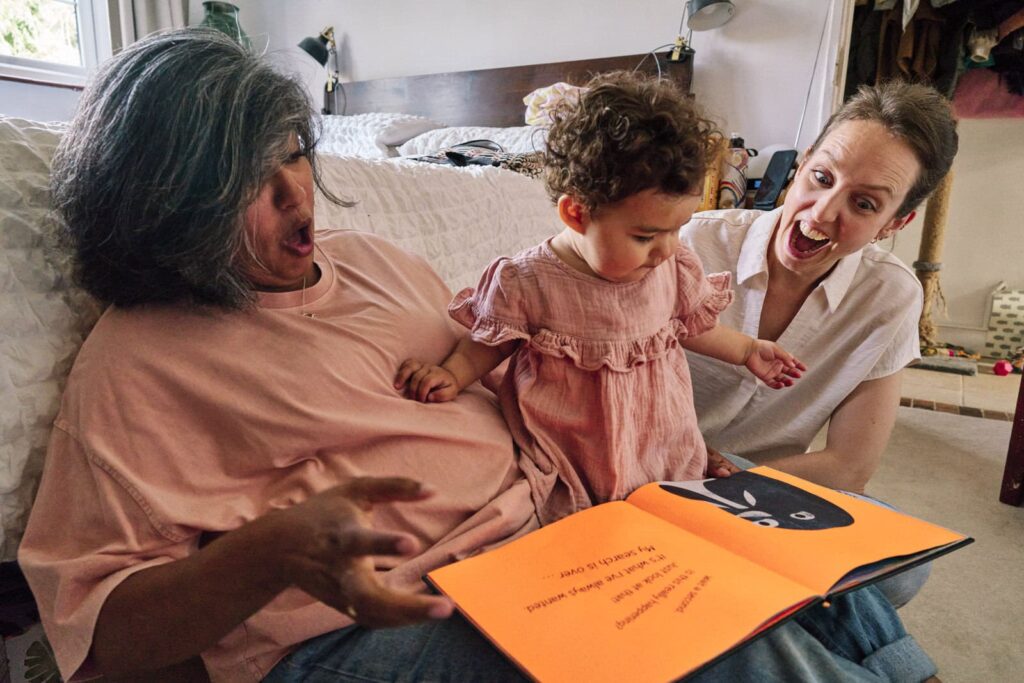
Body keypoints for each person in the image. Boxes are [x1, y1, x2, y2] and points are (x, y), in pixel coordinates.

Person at [18, 29, 939, 683]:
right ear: (162, 205)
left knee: (829, 562)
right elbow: (102, 635)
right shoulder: (138, 361)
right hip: (375, 625)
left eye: (294, 153)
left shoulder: (370, 259)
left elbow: (495, 362)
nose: (299, 199)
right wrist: (266, 556)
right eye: (245, 186)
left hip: (557, 523)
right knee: (714, 637)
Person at [395, 72, 803, 525]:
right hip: (568, 446)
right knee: (579, 530)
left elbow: (693, 327)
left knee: (670, 519)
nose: (667, 248)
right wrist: (452, 373)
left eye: (677, 229)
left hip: (658, 436)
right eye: (646, 235)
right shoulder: (527, 279)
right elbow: (490, 343)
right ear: (576, 213)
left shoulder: (671, 266)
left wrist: (747, 351)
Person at [682, 81, 958, 609]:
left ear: (895, 222)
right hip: (645, 458)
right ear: (802, 163)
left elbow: (849, 465)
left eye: (863, 203)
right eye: (821, 177)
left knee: (896, 574)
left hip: (757, 483)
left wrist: (728, 480)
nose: (822, 212)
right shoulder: (696, 243)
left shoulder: (890, 296)